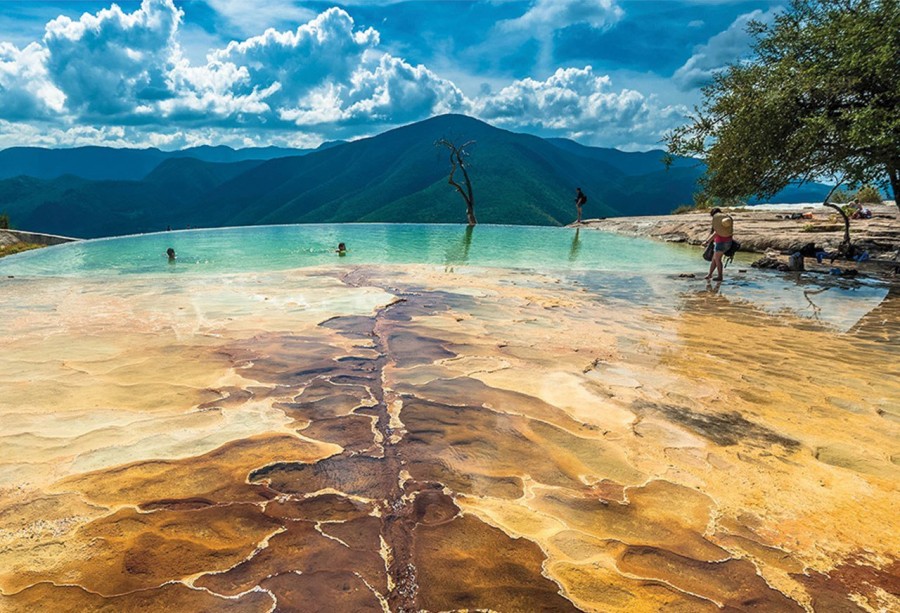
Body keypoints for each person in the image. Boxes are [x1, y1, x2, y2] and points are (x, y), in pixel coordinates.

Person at [702, 207, 733, 281]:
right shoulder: (725, 223)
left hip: (721, 243)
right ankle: (710, 275)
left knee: (717, 260)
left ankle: (720, 276)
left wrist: (707, 242)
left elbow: (716, 233)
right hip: (727, 242)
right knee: (714, 259)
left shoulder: (719, 225)